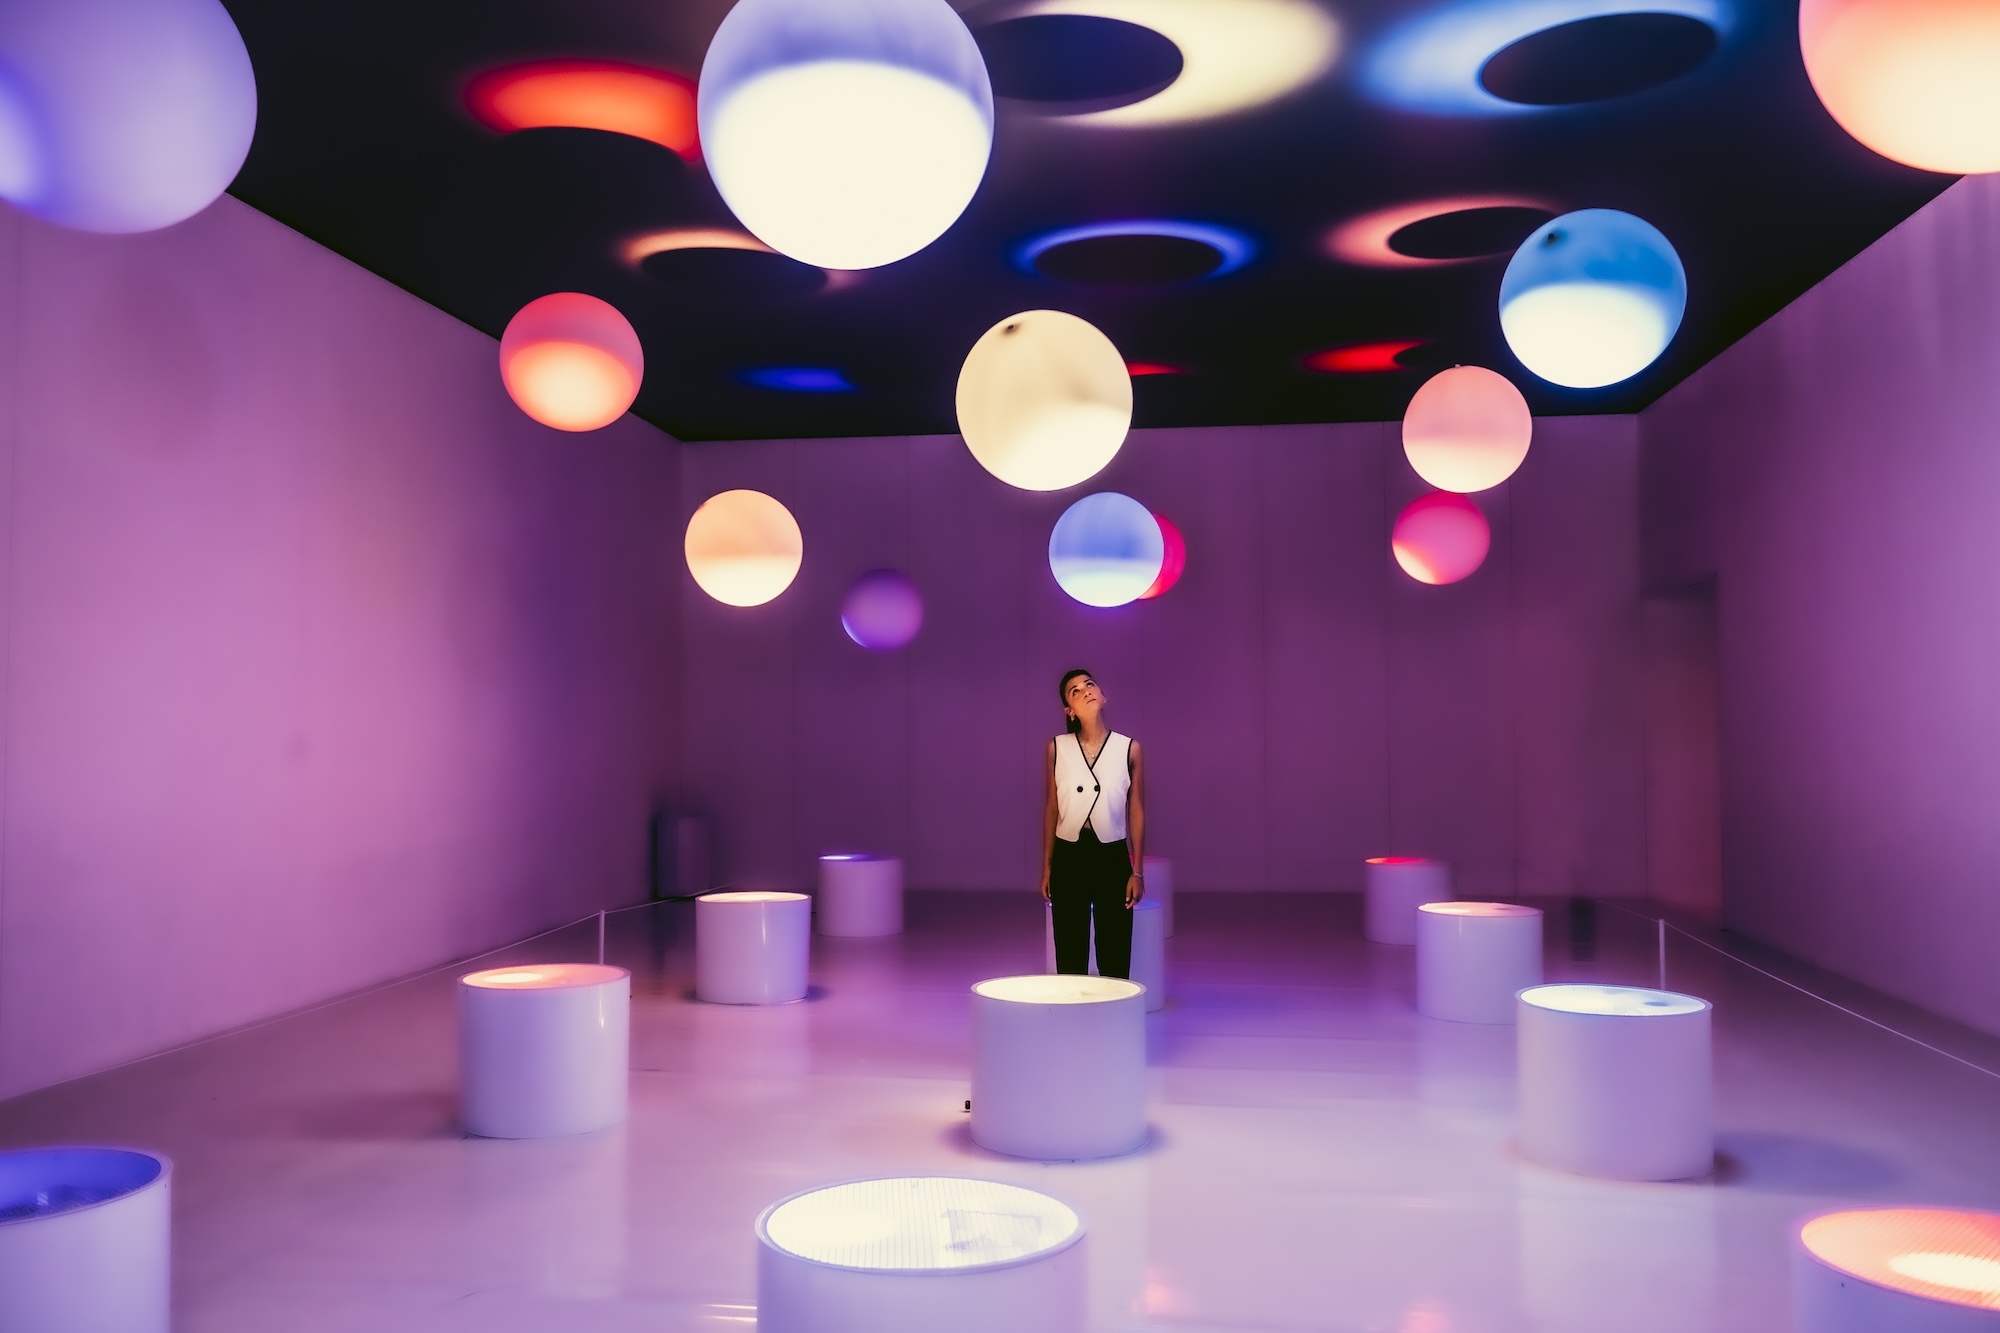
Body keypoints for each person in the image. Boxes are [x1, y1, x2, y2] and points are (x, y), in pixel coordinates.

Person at [1041, 668, 1145, 978]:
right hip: (1068, 856)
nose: (1086, 690)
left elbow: (1136, 809)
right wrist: (1047, 867)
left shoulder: (1129, 748)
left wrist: (1136, 870)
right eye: (1075, 691)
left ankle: (1113, 1021)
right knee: (1070, 952)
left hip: (1111, 856)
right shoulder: (1057, 748)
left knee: (1114, 951)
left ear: (1102, 694)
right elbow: (1052, 807)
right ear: (1069, 711)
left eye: (1090, 684)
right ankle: (1073, 1021)